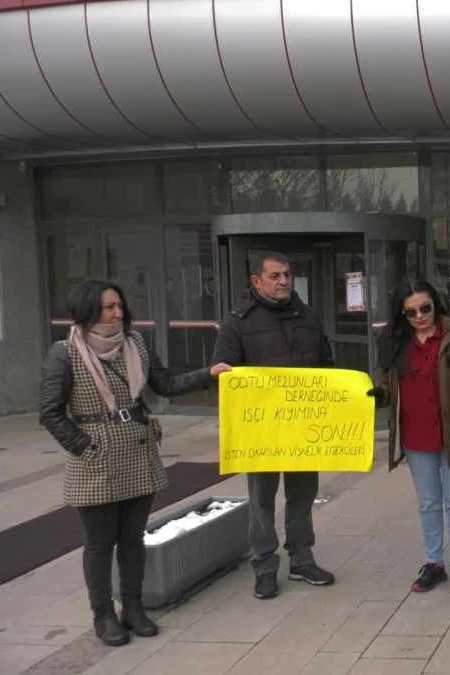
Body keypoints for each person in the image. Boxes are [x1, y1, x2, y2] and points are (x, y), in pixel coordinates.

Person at [38, 280, 231, 646]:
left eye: (119, 306)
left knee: (132, 539)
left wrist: (209, 374)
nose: (118, 314)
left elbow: (165, 384)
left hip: (138, 451)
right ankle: (103, 614)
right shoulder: (64, 353)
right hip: (95, 460)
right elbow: (50, 412)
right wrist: (83, 447)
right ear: (87, 310)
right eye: (109, 307)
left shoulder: (136, 344)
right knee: (99, 543)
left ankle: (133, 606)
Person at [211, 251, 337, 601]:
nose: (284, 281)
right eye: (275, 276)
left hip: (301, 428)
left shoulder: (308, 317)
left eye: (287, 274)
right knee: (261, 501)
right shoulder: (237, 321)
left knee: (302, 496)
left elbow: (325, 365)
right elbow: (221, 373)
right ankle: (265, 567)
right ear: (257, 281)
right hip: (260, 431)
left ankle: (301, 560)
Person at [368, 280, 450, 596]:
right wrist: (377, 395)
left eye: (425, 308)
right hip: (415, 434)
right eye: (411, 312)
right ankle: (434, 562)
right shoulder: (394, 342)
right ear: (402, 314)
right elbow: (386, 384)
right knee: (428, 503)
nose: (420, 316)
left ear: (435, 304)